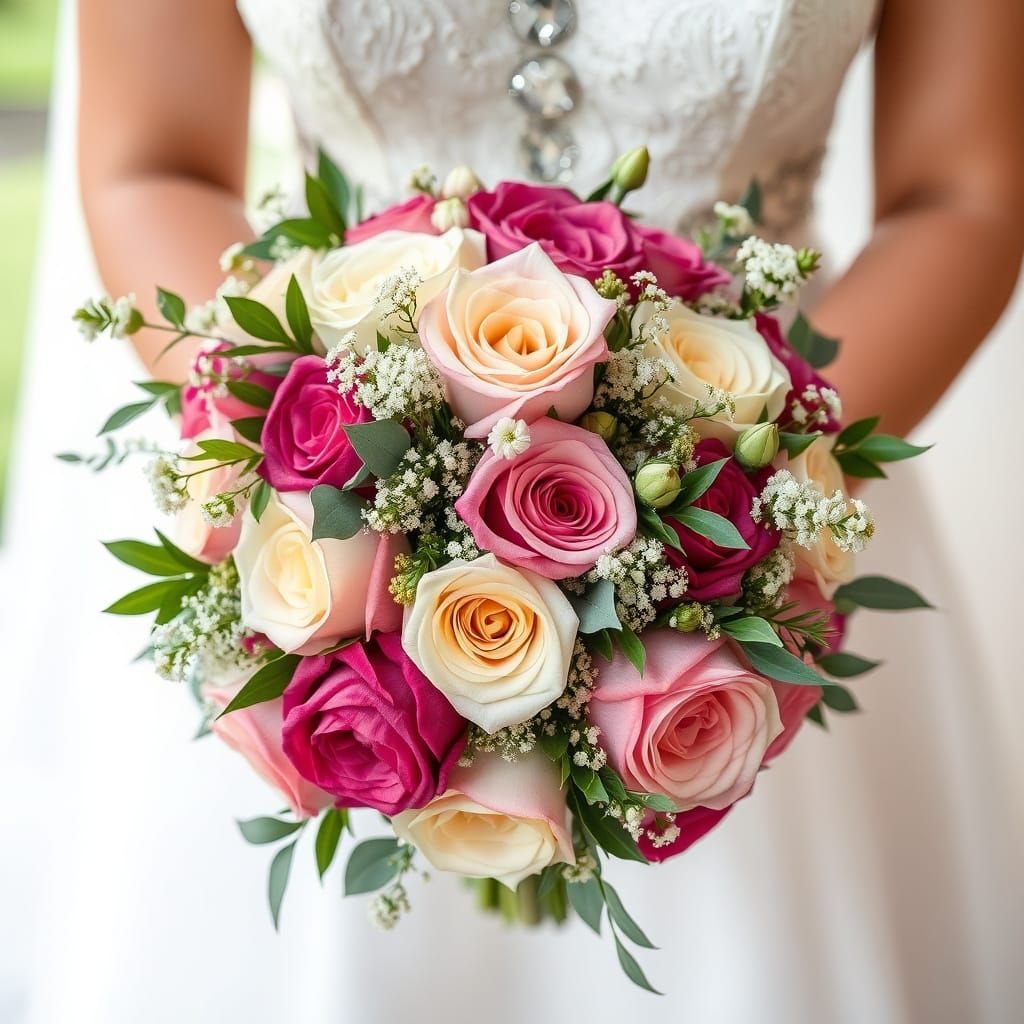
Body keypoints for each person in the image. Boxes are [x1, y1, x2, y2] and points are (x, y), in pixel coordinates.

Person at [4, 0, 1022, 1021]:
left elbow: (960, 195)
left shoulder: (749, 518)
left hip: (764, 524)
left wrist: (735, 506)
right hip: (333, 547)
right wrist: (343, 481)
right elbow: (154, 162)